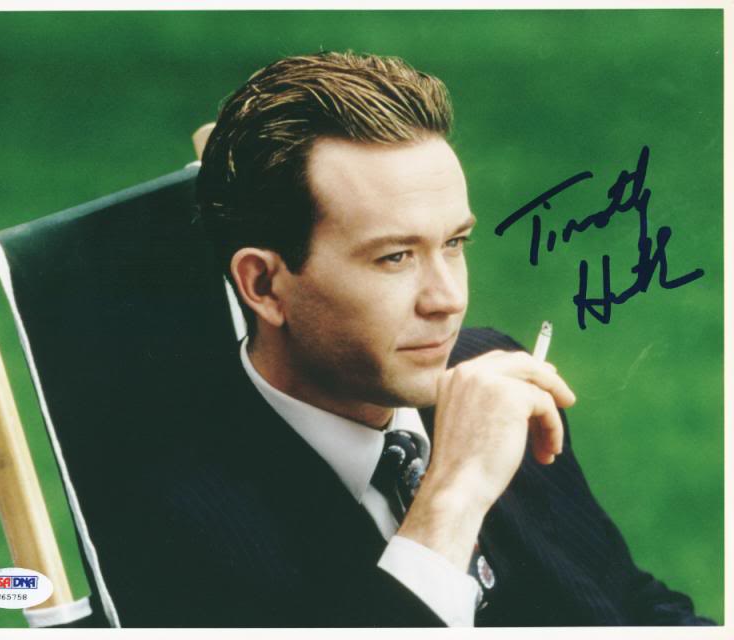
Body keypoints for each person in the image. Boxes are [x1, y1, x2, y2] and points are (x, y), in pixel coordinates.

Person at [135, 51, 713, 627]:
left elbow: (631, 605)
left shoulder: (488, 373)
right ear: (264, 285)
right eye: (395, 256)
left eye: (455, 243)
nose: (449, 299)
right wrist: (453, 495)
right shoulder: (177, 523)